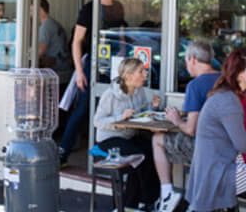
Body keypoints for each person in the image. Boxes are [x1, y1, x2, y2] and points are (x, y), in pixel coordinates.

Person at [59, 0, 126, 166]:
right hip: (94, 64)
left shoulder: (119, 8)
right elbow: (77, 41)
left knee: (115, 106)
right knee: (82, 109)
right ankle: (63, 151)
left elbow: (121, 37)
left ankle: (109, 153)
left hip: (115, 65)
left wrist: (122, 57)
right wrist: (79, 71)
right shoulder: (90, 9)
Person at [152, 40, 220, 212]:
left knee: (157, 139)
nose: (186, 64)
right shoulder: (224, 79)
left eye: (186, 60)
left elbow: (191, 130)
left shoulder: (195, 86)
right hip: (225, 147)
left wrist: (176, 120)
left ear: (193, 59)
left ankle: (167, 193)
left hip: (203, 148)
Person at [94, 58, 160, 209]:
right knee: (139, 157)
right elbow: (97, 121)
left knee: (152, 150)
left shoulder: (139, 91)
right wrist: (120, 118)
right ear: (128, 76)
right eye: (141, 71)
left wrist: (153, 107)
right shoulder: (110, 95)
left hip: (129, 137)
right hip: (108, 140)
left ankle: (132, 204)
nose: (145, 74)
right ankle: (148, 200)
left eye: (145, 70)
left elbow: (141, 113)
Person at [186, 48, 246, 211]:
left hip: (221, 167)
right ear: (241, 74)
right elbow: (243, 145)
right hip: (220, 173)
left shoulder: (228, 94)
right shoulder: (228, 101)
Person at [36, 0, 70, 71]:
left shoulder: (45, 27)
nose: (31, 14)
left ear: (40, 10)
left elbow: (40, 51)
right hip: (64, 65)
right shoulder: (53, 23)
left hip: (56, 68)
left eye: (32, 11)